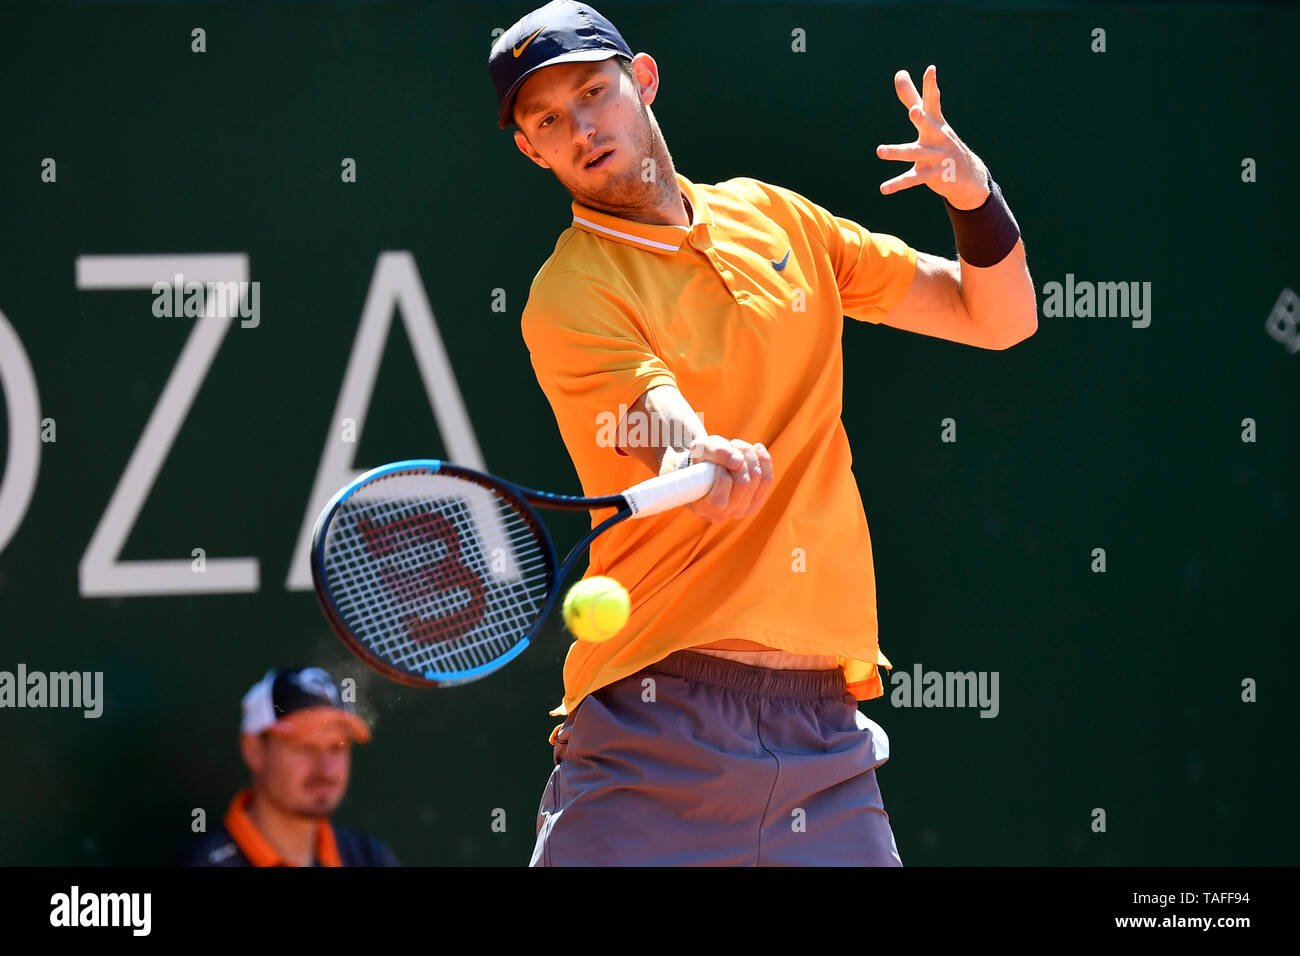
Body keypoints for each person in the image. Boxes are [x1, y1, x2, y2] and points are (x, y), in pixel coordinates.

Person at [488, 1, 1036, 866]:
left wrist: (975, 196)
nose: (582, 127)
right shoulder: (570, 292)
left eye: (596, 92)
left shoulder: (778, 220)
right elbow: (645, 417)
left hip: (826, 745)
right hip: (654, 730)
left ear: (645, 81)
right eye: (549, 120)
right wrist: (691, 452)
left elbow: (998, 318)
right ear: (531, 149)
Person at [179, 666, 398, 867]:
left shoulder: (370, 857)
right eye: (306, 747)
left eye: (337, 748)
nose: (326, 769)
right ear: (253, 749)